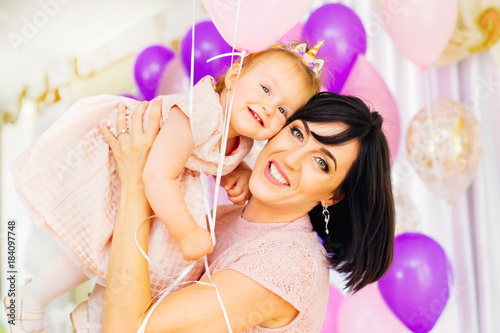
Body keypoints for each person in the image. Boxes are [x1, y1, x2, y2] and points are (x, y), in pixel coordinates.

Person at [4, 42, 324, 333]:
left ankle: (97, 313)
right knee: (95, 247)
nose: (270, 107)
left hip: (157, 181)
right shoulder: (202, 112)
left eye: (283, 110)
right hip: (125, 161)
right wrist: (188, 233)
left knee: (145, 255)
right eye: (266, 89)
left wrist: (234, 171)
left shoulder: (242, 138)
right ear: (236, 74)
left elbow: (207, 156)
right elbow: (157, 176)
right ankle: (30, 299)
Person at [100, 91, 395, 332]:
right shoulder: (227, 217)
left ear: (335, 195)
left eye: (321, 163)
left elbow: (127, 330)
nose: (291, 158)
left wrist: (138, 184)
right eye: (297, 133)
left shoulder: (290, 264)